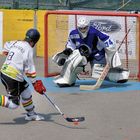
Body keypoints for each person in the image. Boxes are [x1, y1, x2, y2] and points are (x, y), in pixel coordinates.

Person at [52, 16, 130, 87]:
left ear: (88, 26)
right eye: (81, 28)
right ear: (78, 27)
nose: (83, 30)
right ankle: (67, 80)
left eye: (85, 28)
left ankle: (120, 75)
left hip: (96, 53)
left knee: (97, 72)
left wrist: (110, 50)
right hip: (82, 54)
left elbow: (107, 39)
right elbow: (71, 44)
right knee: (73, 61)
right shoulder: (73, 33)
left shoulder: (94, 32)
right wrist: (69, 50)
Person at [0, 28, 46, 121]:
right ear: (34, 41)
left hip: (7, 73)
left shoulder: (16, 42)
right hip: (12, 76)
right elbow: (30, 69)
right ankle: (31, 114)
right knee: (13, 104)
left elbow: (5, 47)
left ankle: (31, 114)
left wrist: (12, 54)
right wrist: (35, 84)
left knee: (26, 92)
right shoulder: (28, 49)